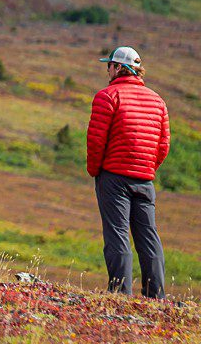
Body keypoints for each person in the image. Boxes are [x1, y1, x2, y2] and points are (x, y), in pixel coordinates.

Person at [87, 46, 171, 299]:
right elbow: (163, 145)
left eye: (109, 65)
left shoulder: (107, 96)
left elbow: (96, 140)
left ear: (118, 68)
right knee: (149, 237)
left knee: (117, 235)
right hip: (145, 179)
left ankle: (120, 294)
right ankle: (156, 297)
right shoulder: (158, 100)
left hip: (114, 176)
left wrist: (95, 170)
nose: (107, 70)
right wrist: (147, 168)